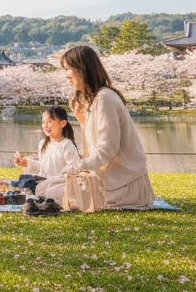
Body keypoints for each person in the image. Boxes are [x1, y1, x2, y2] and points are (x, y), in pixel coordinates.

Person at [60, 45, 156, 209]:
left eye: (69, 69)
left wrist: (78, 167)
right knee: (49, 185)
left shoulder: (105, 99)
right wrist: (82, 121)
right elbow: (91, 152)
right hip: (111, 181)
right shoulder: (94, 100)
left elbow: (107, 149)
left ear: (83, 68)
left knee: (54, 191)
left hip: (124, 185)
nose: (66, 75)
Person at [13, 105, 81, 204]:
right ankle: (34, 195)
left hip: (58, 184)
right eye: (43, 122)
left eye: (49, 121)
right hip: (44, 182)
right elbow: (44, 167)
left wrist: (53, 180)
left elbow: (75, 170)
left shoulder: (67, 145)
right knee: (25, 179)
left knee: (50, 191)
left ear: (63, 123)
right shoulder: (43, 144)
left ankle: (35, 196)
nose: (45, 125)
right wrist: (27, 163)